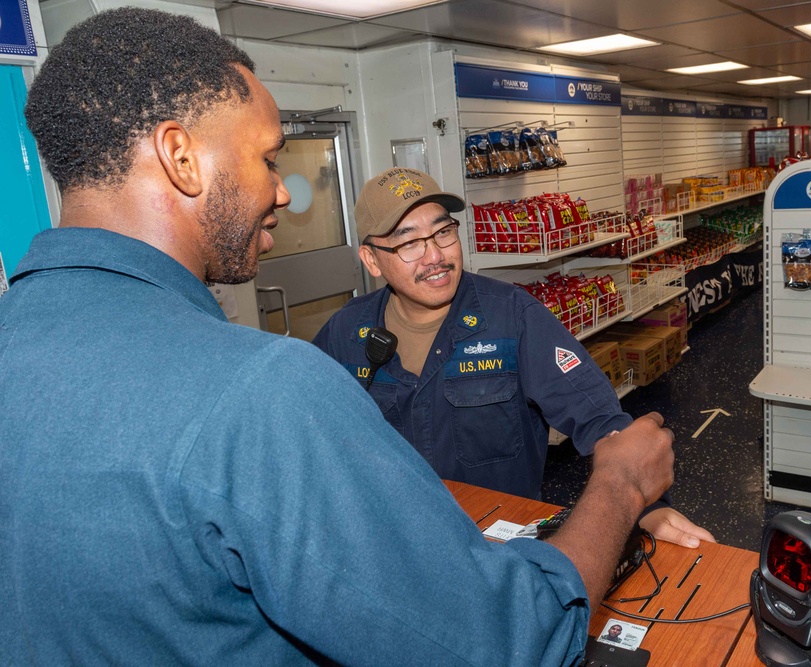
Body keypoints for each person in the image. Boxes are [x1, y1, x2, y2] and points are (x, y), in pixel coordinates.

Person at [0, 8, 677, 665]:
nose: (285, 192)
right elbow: (508, 642)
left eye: (443, 232)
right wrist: (620, 488)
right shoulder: (265, 385)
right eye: (267, 158)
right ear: (180, 157)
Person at [312, 167, 716, 548]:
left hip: (497, 545)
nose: (434, 256)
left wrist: (643, 506)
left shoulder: (514, 316)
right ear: (371, 260)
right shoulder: (345, 334)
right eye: (409, 242)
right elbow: (304, 432)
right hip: (391, 538)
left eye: (443, 233)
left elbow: (598, 418)